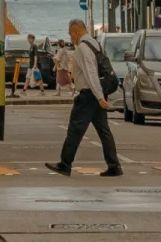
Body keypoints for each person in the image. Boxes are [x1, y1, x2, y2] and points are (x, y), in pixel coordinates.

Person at [45, 19, 123, 178]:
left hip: (89, 96)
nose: (70, 37)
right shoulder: (95, 44)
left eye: (70, 34)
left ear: (75, 31)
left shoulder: (82, 48)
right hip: (94, 94)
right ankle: (114, 166)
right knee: (104, 131)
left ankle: (65, 164)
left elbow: (91, 73)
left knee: (75, 129)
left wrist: (99, 96)